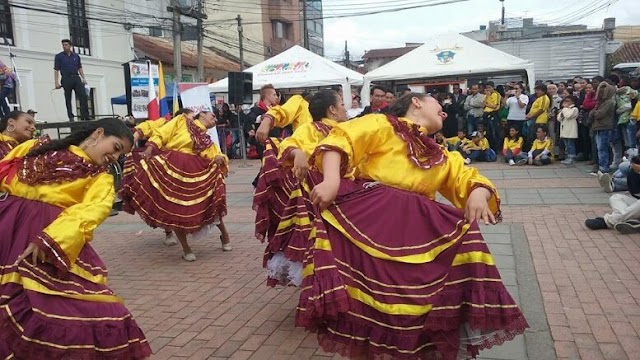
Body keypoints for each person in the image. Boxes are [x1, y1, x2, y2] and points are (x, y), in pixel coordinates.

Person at [297, 92, 527, 360]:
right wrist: (332, 180)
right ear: (416, 102)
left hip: (414, 234)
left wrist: (478, 192)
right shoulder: (381, 124)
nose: (444, 112)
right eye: (439, 106)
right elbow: (340, 140)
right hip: (370, 221)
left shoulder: (442, 155)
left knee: (413, 308)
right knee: (366, 311)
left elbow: (468, 177)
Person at [0, 118, 151, 359]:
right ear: (98, 133)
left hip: (48, 239)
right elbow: (4, 172)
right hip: (7, 226)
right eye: (115, 148)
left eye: (120, 155)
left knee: (87, 311)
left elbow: (90, 212)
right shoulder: (34, 146)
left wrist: (51, 239)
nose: (115, 157)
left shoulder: (100, 179)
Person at [254, 89, 348, 287]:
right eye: (342, 103)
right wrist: (297, 153)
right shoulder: (311, 128)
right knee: (318, 245)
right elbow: (289, 142)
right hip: (316, 193)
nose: (345, 107)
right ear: (332, 110)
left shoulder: (347, 130)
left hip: (346, 192)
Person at [120, 111, 231, 261]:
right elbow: (162, 132)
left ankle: (224, 235)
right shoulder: (182, 121)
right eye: (213, 116)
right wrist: (149, 148)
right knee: (176, 208)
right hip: (172, 164)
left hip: (195, 170)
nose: (215, 119)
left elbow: (216, 154)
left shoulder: (207, 140)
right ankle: (186, 248)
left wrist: (220, 158)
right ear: (202, 115)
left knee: (208, 201)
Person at [585, 155, 640, 234]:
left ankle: (608, 221)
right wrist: (636, 172)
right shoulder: (634, 171)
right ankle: (629, 220)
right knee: (616, 197)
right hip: (636, 205)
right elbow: (634, 190)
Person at [54, 39, 90, 121]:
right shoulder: (59, 56)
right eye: (63, 45)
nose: (64, 46)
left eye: (66, 45)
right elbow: (56, 69)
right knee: (68, 97)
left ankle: (85, 115)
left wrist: (84, 78)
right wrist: (56, 82)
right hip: (66, 78)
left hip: (76, 77)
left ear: (70, 46)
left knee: (83, 95)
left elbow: (79, 67)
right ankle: (71, 116)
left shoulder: (76, 56)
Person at [589, 82, 617, 174]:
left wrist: (594, 112)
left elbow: (599, 114)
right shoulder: (600, 103)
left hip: (605, 127)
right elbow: (591, 113)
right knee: (599, 148)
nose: (600, 94)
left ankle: (604, 167)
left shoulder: (610, 102)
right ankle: (601, 166)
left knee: (602, 148)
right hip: (597, 127)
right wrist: (594, 112)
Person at [558, 96, 579, 164]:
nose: (566, 103)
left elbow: (568, 116)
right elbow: (559, 118)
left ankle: (572, 157)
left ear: (572, 102)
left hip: (571, 129)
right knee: (566, 145)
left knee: (570, 144)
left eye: (568, 101)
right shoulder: (565, 109)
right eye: (565, 101)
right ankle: (568, 156)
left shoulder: (574, 109)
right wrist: (562, 112)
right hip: (564, 129)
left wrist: (564, 109)